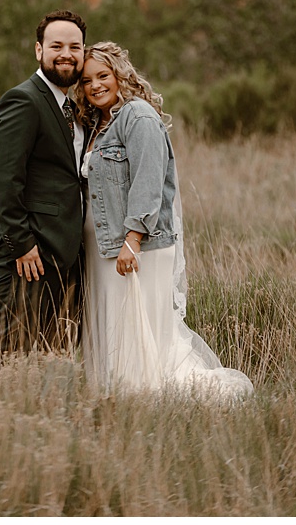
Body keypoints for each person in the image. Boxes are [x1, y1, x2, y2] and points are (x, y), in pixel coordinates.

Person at [77, 42, 253, 397]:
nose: (95, 85)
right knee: (116, 324)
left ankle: (145, 395)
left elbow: (148, 181)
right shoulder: (97, 124)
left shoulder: (138, 117)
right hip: (103, 247)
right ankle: (115, 394)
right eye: (86, 80)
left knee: (139, 327)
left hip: (134, 247)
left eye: (103, 76)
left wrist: (132, 239)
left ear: (120, 75)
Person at [0, 10, 90, 360]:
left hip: (61, 251)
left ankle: (38, 412)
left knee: (50, 352)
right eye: (56, 45)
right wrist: (22, 244)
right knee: (10, 348)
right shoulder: (23, 100)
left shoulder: (69, 108)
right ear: (38, 50)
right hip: (28, 252)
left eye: (75, 47)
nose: (66, 53)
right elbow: (4, 180)